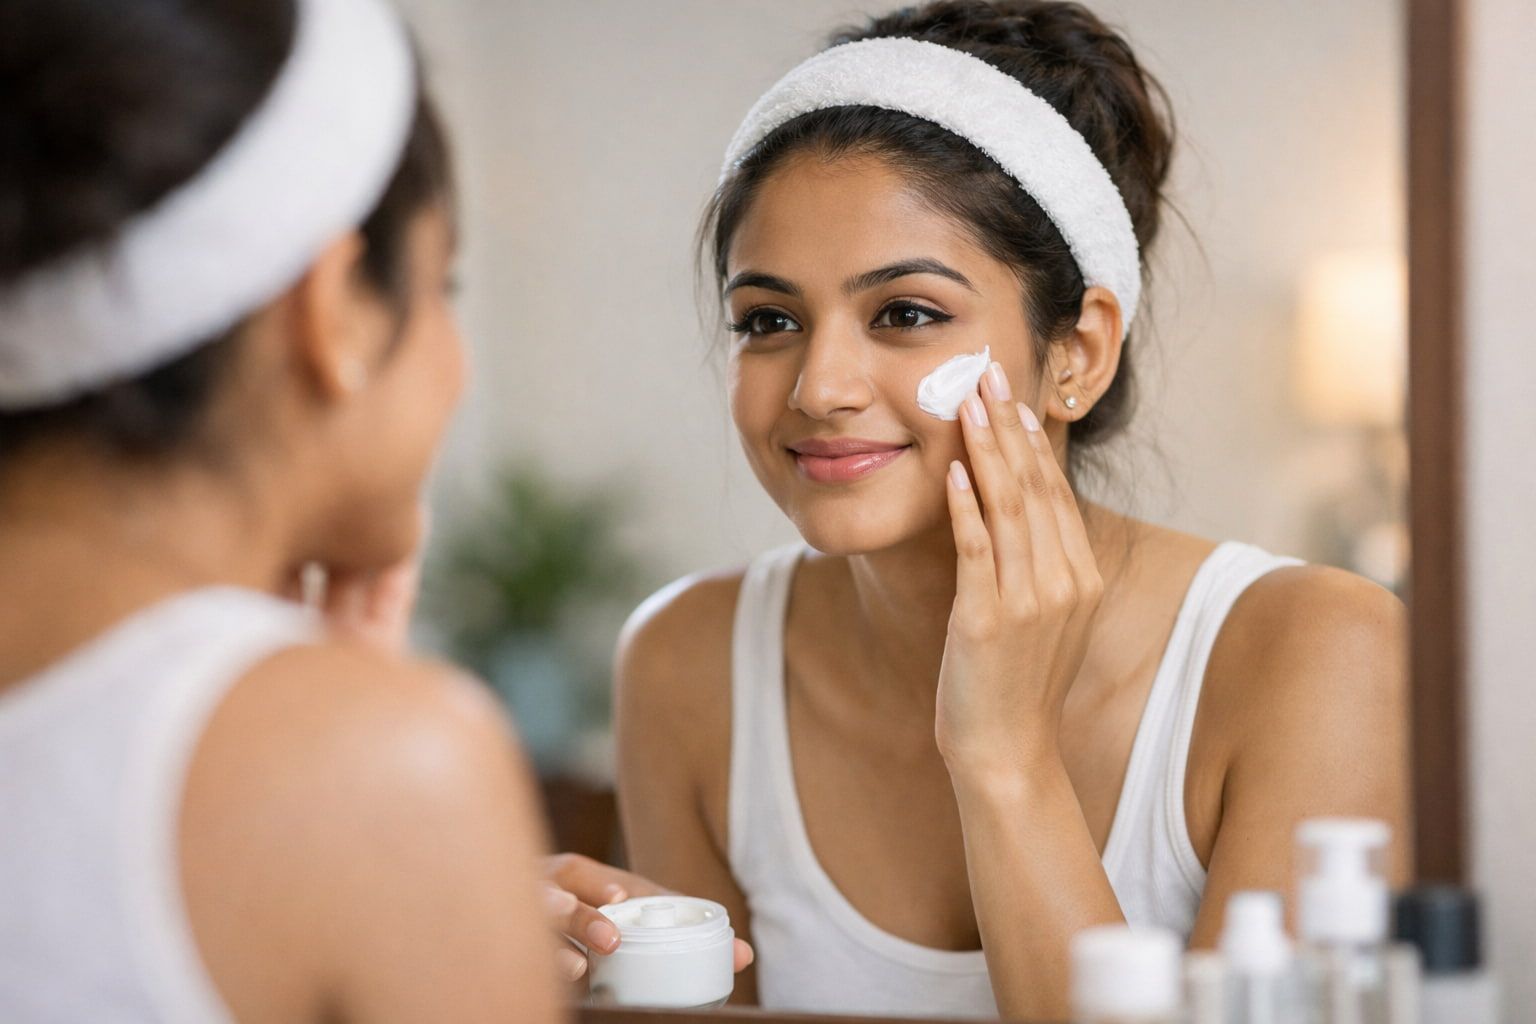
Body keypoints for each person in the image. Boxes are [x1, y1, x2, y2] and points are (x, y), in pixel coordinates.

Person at [615, 1, 1412, 1019]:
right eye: (769, 320)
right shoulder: (686, 664)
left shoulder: (1317, 655)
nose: (819, 387)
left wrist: (1005, 758)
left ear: (1078, 353)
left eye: (906, 313)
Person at [0, 0, 565, 1019]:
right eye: (444, 286)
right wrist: (358, 762)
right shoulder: (384, 763)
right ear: (335, 305)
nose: (458, 365)